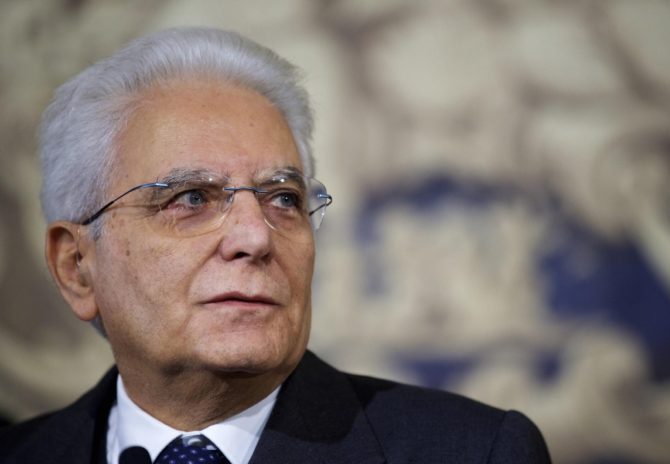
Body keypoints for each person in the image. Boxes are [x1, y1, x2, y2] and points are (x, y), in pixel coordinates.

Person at [0, 27, 551, 463]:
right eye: (191, 198)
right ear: (76, 266)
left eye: (284, 199)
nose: (256, 236)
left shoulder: (475, 452)